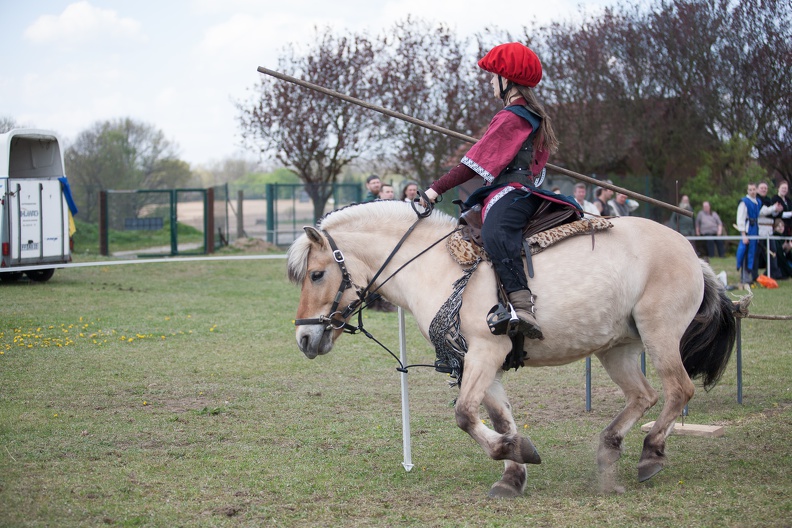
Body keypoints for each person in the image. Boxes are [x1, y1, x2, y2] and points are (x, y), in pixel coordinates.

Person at [423, 42, 581, 340]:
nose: (490, 81)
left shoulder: (513, 116)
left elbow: (471, 165)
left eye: (493, 76)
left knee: (495, 233)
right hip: (506, 189)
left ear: (506, 79)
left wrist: (434, 191)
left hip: (511, 190)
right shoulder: (519, 114)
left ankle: (522, 306)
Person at [736, 182, 761, 288]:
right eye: (750, 189)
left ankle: (751, 277)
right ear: (747, 191)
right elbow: (740, 218)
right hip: (747, 230)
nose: (752, 191)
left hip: (755, 229)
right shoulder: (744, 202)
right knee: (745, 254)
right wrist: (743, 235)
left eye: (754, 189)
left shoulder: (758, 202)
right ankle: (744, 278)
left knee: (753, 254)